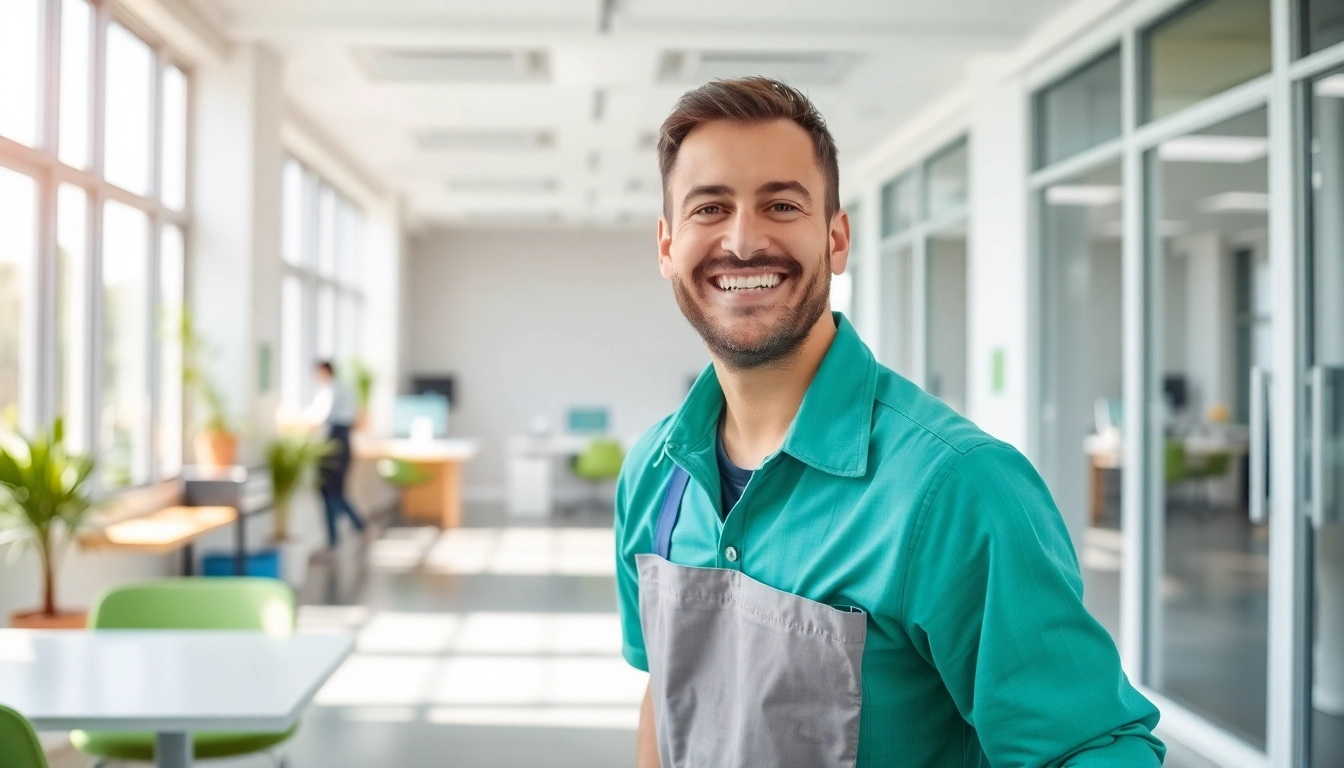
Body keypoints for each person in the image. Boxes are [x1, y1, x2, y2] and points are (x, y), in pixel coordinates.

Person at [614, 77, 1164, 767]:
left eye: (781, 204)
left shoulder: (957, 488)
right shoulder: (650, 474)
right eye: (710, 207)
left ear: (836, 239)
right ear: (668, 246)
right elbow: (664, 697)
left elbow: (1091, 747)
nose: (744, 240)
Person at [306, 360, 367, 551]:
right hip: (344, 442)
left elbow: (323, 417)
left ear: (325, 371)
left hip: (333, 444)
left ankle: (336, 539)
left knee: (330, 492)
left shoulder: (331, 389)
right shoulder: (346, 387)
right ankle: (357, 528)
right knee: (336, 492)